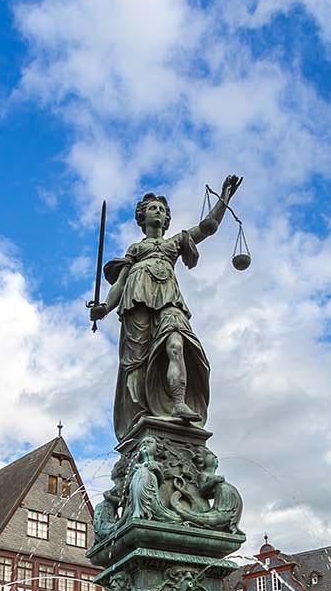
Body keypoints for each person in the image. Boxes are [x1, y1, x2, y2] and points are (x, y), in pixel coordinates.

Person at [88, 174, 242, 439]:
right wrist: (104, 308)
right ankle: (139, 417)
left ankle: (179, 401)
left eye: (162, 209)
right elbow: (120, 284)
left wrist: (224, 198)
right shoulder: (135, 249)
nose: (158, 212)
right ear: (143, 217)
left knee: (176, 344)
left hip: (169, 298)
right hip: (136, 298)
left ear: (167, 218)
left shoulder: (175, 243)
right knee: (136, 361)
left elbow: (208, 227)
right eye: (152, 208)